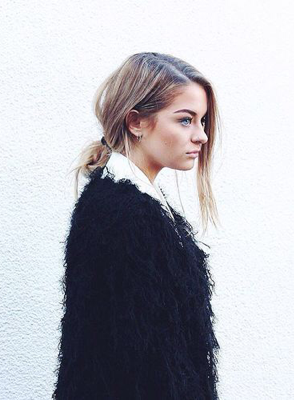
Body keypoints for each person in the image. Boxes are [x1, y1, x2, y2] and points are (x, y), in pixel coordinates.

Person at [52, 52, 222, 399]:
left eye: (202, 121)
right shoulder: (122, 216)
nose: (202, 136)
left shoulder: (137, 205)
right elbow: (135, 365)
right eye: (186, 120)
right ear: (136, 122)